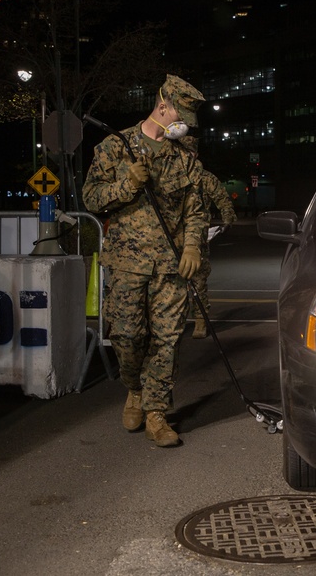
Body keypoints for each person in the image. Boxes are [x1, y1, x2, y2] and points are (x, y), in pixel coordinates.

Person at [82, 74, 207, 448]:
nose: (182, 123)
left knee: (167, 340)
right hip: (126, 264)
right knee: (128, 336)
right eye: (179, 115)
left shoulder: (185, 155)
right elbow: (91, 198)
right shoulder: (114, 148)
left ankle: (156, 413)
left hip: (171, 266)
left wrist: (193, 246)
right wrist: (126, 185)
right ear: (163, 104)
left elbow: (195, 208)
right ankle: (133, 388)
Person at [177, 135, 238, 339]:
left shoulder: (205, 178)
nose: (187, 156)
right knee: (171, 281)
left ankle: (201, 320)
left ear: (196, 154)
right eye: (183, 152)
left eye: (190, 152)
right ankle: (173, 320)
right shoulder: (171, 176)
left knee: (198, 280)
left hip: (198, 237)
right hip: (173, 237)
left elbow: (221, 198)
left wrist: (228, 217)